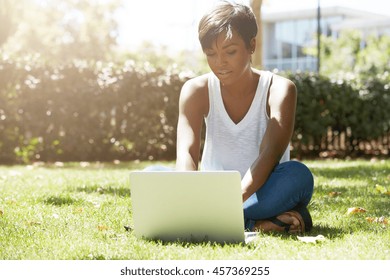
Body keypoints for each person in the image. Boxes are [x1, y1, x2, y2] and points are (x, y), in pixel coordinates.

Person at [175, 1, 314, 234]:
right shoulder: (195, 90)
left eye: (230, 52)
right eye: (211, 53)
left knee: (298, 176)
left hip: (262, 191)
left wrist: (228, 202)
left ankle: (217, 220)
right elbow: (186, 153)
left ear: (252, 45)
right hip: (212, 191)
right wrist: (190, 197)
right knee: (154, 174)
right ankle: (261, 223)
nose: (220, 63)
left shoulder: (279, 89)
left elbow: (269, 156)